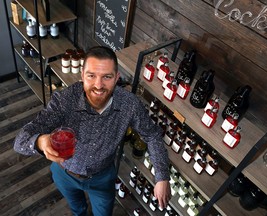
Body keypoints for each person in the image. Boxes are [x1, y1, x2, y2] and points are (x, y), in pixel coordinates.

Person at [14, 46, 171, 216]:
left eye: (107, 77)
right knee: (77, 209)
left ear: (116, 78)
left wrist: (162, 176)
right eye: (91, 76)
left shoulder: (129, 104)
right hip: (64, 174)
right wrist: (39, 142)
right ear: (82, 76)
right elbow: (20, 142)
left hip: (102, 179)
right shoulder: (65, 100)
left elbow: (153, 134)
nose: (98, 85)